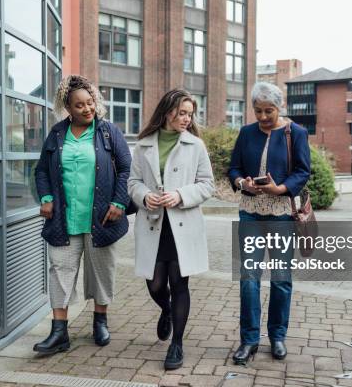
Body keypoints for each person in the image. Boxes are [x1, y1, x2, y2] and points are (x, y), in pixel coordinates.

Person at [34, 75, 132, 354]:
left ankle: (100, 320)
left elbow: (126, 169)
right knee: (59, 272)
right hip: (64, 220)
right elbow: (42, 170)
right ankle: (59, 331)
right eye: (79, 105)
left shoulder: (108, 132)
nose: (87, 109)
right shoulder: (56, 134)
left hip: (102, 218)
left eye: (90, 103)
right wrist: (46, 197)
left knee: (102, 271)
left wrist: (119, 202)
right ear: (67, 107)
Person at [128, 89, 214, 370]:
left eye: (190, 114)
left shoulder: (195, 146)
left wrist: (180, 195)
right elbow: (133, 182)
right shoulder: (143, 145)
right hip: (153, 223)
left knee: (179, 283)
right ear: (167, 112)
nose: (187, 118)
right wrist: (144, 196)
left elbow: (207, 185)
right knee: (154, 284)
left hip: (183, 224)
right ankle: (166, 310)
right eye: (182, 113)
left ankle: (177, 344)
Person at [227, 82, 311, 364]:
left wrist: (281, 189)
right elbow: (234, 168)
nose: (262, 117)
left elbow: (302, 171)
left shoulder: (295, 133)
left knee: (280, 278)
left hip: (281, 216)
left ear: (280, 107)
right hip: (250, 212)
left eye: (269, 111)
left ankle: (277, 337)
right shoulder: (246, 132)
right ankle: (249, 340)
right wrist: (242, 183)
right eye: (258, 111)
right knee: (249, 279)